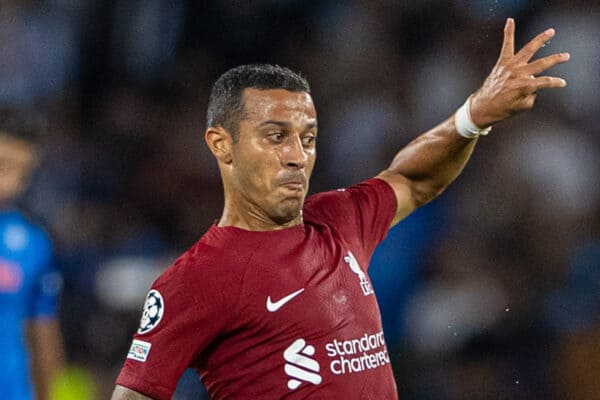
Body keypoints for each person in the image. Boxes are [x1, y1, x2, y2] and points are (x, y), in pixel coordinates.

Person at [112, 19, 569, 399]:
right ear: (222, 145)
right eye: (276, 136)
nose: (296, 155)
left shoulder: (338, 219)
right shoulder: (197, 278)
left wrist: (474, 115)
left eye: (307, 138)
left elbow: (412, 178)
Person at [0, 107, 65, 400]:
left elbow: (44, 336)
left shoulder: (33, 243)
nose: (9, 183)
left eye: (22, 173)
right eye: (2, 165)